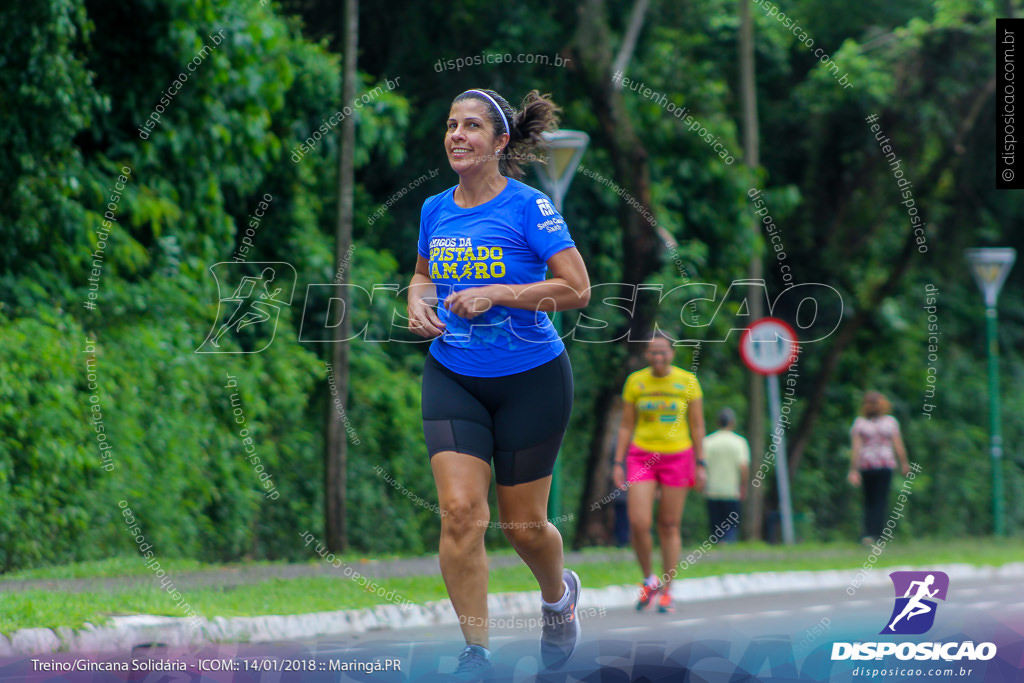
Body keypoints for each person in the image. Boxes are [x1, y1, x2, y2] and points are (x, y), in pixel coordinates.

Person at [406, 88, 590, 679]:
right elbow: (421, 273)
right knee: (460, 512)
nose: (457, 136)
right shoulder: (435, 209)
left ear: (500, 141)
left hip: (531, 379)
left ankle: (558, 599)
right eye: (451, 125)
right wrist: (418, 300)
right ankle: (476, 654)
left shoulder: (529, 208)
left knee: (523, 526)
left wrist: (502, 293)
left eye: (472, 127)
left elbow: (577, 290)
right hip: (454, 373)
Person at [612, 335, 705, 614]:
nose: (658, 357)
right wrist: (618, 462)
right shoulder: (636, 382)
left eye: (663, 352)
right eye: (653, 352)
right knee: (639, 522)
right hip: (641, 455)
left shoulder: (687, 381)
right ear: (646, 354)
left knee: (669, 524)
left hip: (678, 455)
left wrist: (701, 463)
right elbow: (626, 425)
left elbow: (698, 425)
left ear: (672, 354)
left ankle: (668, 588)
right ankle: (648, 578)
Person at [848, 391, 910, 545]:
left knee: (869, 500)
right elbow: (898, 446)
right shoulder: (890, 423)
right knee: (880, 500)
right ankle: (877, 534)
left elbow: (856, 449)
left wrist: (853, 470)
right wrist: (904, 463)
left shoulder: (860, 424)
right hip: (885, 465)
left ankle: (868, 533)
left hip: (867, 465)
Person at [702, 408, 749, 543]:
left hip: (712, 490)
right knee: (730, 526)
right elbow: (743, 466)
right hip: (731, 490)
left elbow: (702, 465)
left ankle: (717, 550)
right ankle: (728, 549)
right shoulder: (739, 442)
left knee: (715, 526)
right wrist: (743, 486)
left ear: (717, 422)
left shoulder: (708, 441)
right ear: (732, 422)